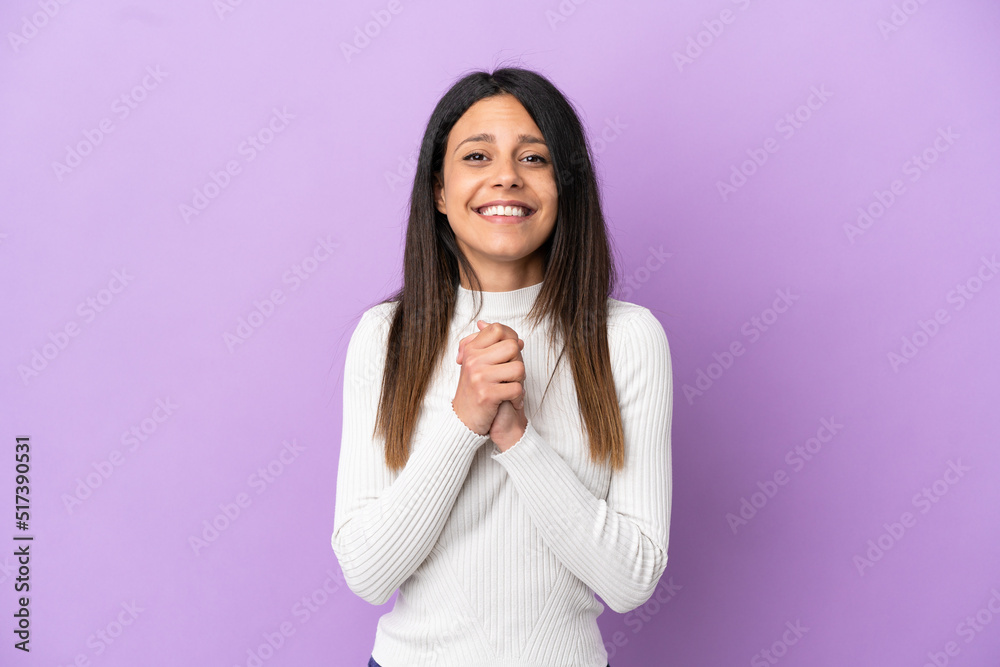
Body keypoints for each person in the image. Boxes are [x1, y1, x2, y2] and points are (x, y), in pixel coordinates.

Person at [332, 65, 674, 667]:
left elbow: (631, 580)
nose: (507, 178)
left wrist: (517, 438)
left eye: (535, 159)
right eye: (476, 156)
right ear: (439, 190)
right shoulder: (386, 338)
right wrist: (464, 421)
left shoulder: (627, 338)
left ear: (565, 185)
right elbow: (367, 572)